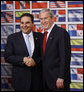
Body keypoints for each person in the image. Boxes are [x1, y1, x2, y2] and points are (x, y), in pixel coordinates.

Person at [4, 13, 43, 91]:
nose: (24, 25)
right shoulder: (12, 38)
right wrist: (23, 59)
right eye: (22, 23)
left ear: (32, 24)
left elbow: (45, 55)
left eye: (27, 22)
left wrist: (35, 61)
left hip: (38, 81)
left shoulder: (41, 37)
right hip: (20, 81)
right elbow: (8, 57)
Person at [39, 8, 71, 91]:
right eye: (41, 19)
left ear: (52, 18)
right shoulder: (43, 35)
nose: (43, 21)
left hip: (58, 80)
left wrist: (61, 76)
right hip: (46, 80)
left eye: (46, 18)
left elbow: (65, 57)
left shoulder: (61, 32)